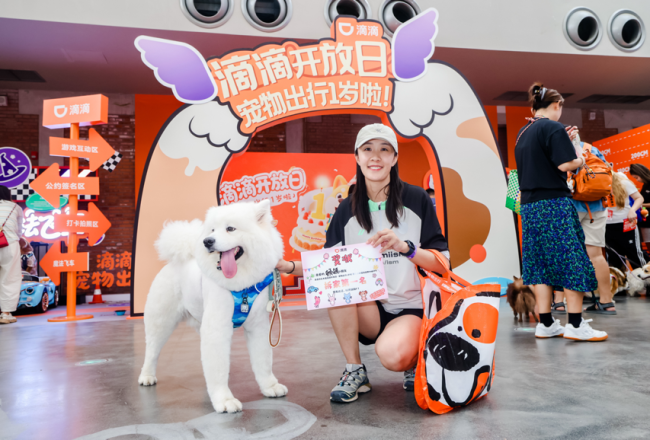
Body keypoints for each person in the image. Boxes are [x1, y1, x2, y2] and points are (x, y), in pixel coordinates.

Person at [276, 123, 449, 402]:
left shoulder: (416, 199)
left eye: (384, 149)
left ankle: (414, 356)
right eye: (367, 149)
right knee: (336, 284)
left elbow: (443, 264)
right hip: (370, 308)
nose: (375, 156)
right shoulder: (347, 208)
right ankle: (354, 369)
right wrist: (288, 267)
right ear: (357, 157)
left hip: (411, 307)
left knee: (393, 356)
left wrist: (405, 248)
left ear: (394, 157)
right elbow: (328, 266)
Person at [515, 82, 607, 342]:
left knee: (540, 263)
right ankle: (575, 324)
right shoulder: (553, 128)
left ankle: (546, 323)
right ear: (557, 105)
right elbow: (566, 164)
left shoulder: (523, 132)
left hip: (530, 207)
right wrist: (581, 157)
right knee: (572, 261)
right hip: (554, 203)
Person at [564, 143, 616, 315]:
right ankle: (606, 302)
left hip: (572, 205)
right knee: (597, 255)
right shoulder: (591, 148)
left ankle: (564, 303)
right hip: (597, 207)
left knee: (568, 253)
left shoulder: (560, 146)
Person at [605, 172, 646, 272]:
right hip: (606, 225)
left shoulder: (623, 182)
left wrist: (632, 210)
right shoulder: (595, 184)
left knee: (635, 254)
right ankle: (621, 280)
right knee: (614, 257)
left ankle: (645, 278)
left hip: (626, 223)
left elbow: (639, 198)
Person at [0, 186, 24, 324]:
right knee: (10, 278)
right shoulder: (16, 208)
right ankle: (5, 314)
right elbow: (19, 231)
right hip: (9, 244)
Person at [629, 163, 650, 247]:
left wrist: (639, 205)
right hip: (645, 219)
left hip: (648, 222)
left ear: (642, 174)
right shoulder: (645, 185)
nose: (637, 180)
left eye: (636, 177)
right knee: (647, 243)